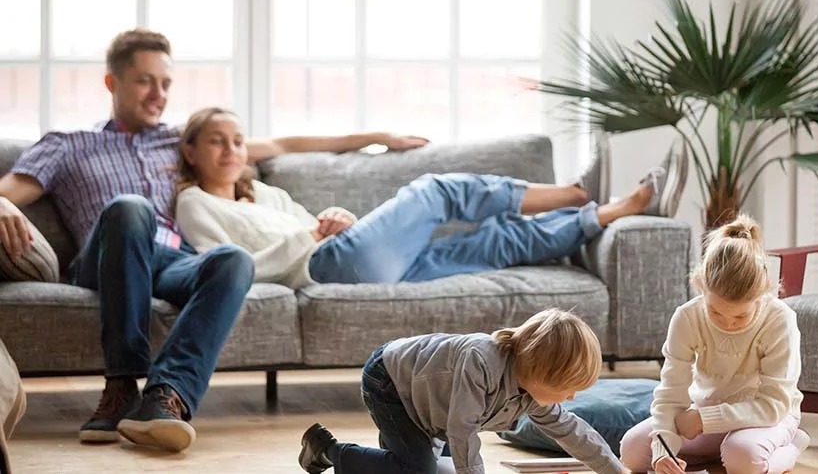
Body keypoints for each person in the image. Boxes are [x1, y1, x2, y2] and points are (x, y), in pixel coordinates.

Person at [0, 28, 429, 452]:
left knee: (233, 259)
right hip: (107, 259)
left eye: (165, 83)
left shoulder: (179, 140)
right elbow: (11, 189)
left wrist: (376, 137)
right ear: (112, 83)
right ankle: (120, 386)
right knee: (131, 208)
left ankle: (166, 398)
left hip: (171, 260)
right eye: (145, 80)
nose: (158, 94)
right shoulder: (69, 145)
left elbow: (283, 143)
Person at [171, 107, 675, 288]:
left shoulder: (264, 193)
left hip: (352, 257)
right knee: (437, 190)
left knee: (495, 243)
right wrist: (312, 235)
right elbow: (225, 269)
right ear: (190, 151)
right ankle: (573, 190)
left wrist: (334, 217)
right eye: (216, 140)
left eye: (237, 140)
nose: (231, 150)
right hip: (328, 266)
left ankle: (609, 210)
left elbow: (312, 221)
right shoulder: (195, 203)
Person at [297, 308, 629, 474]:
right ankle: (328, 450)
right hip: (391, 381)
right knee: (422, 469)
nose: (570, 398)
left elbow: (572, 431)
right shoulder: (481, 360)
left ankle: (393, 459)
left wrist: (617, 471)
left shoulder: (533, 393)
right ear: (540, 371)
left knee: (423, 467)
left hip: (429, 402)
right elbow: (463, 430)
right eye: (567, 388)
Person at [619, 215, 810, 474]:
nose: (728, 324)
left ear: (763, 294)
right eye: (716, 312)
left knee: (742, 459)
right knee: (632, 451)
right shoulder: (687, 317)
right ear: (700, 286)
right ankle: (717, 455)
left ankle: (792, 445)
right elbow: (671, 393)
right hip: (705, 414)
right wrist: (664, 450)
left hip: (770, 416)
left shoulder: (780, 320)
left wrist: (703, 419)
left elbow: (773, 405)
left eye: (741, 316)